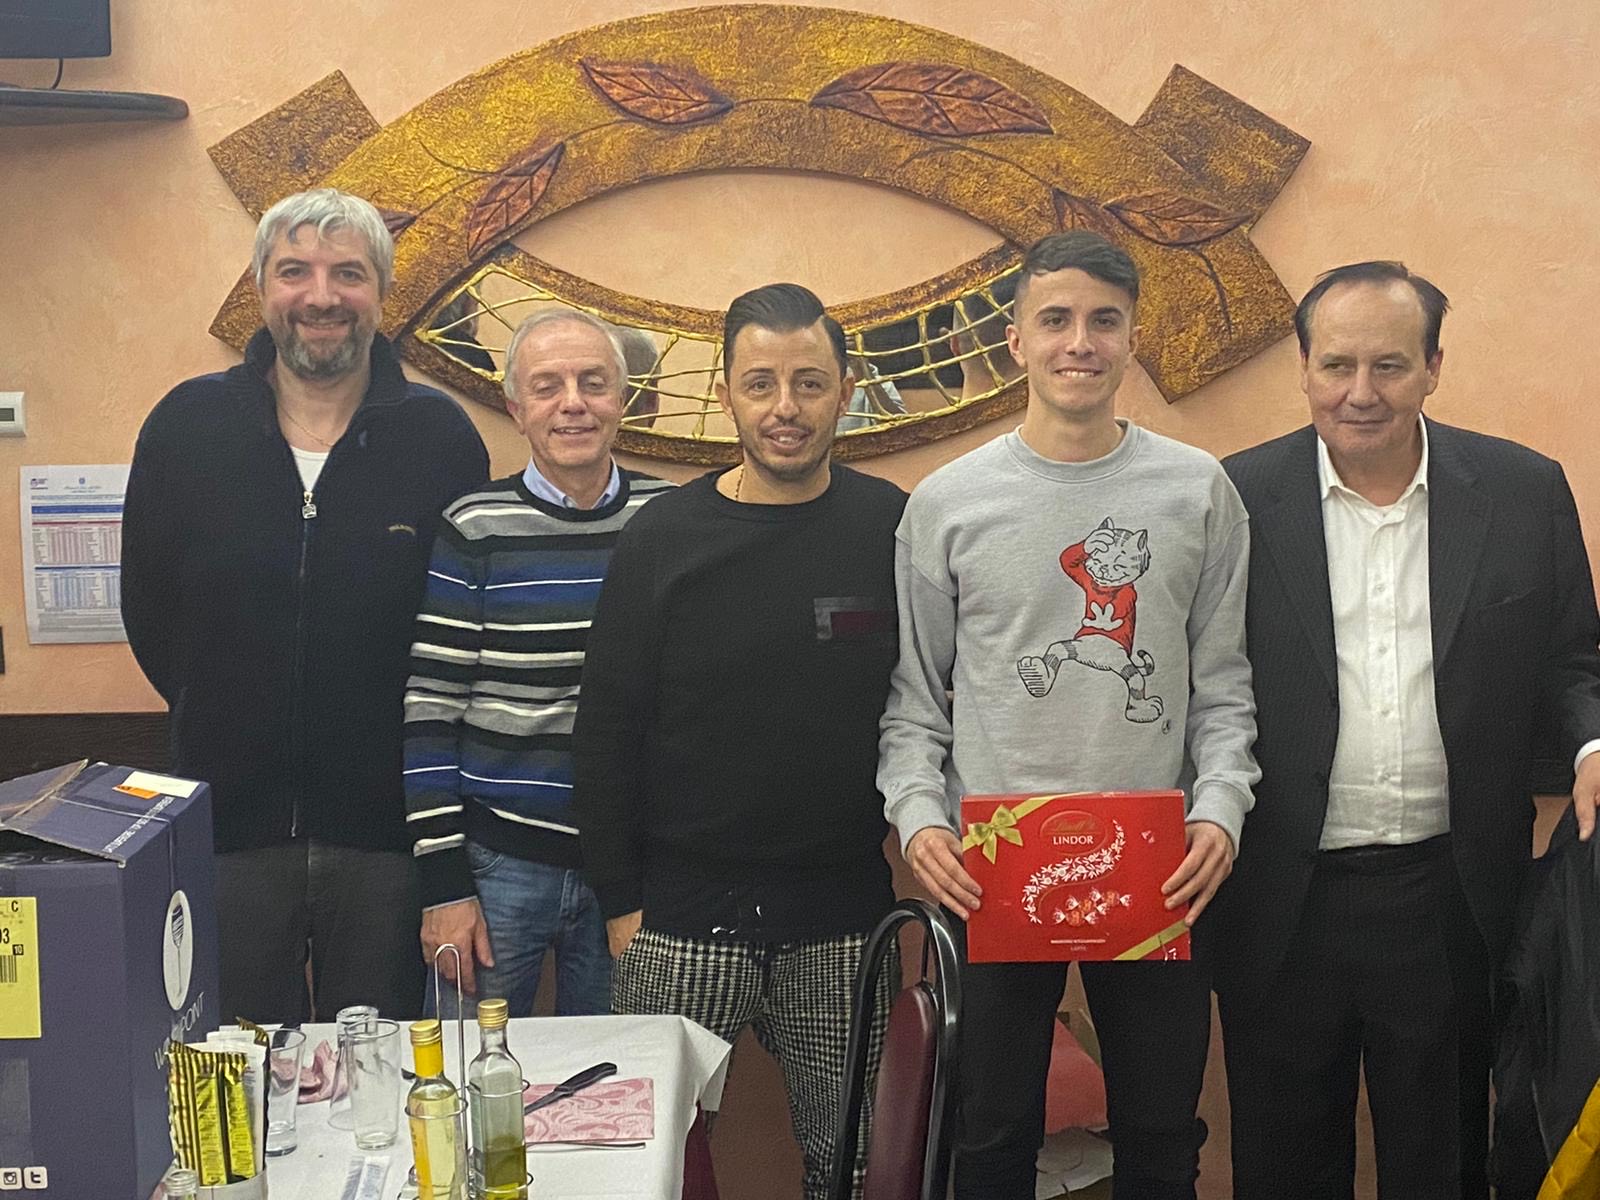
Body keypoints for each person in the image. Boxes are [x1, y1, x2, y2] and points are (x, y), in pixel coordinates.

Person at [878, 230, 1258, 1200]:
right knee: (991, 1137)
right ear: (1016, 340)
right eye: (1055, 319)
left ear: (1131, 338)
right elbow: (913, 701)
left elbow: (1222, 685)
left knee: (1160, 1136)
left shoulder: (1197, 491)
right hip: (991, 867)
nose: (1078, 342)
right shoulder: (947, 504)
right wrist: (918, 821)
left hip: (1160, 864)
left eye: (1103, 320)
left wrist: (1220, 809)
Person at [1214, 260, 1600, 1200]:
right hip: (1282, 896)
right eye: (1336, 365)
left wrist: (1594, 745)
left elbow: (1572, 658)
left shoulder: (1521, 489)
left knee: (1446, 1163)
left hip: (1453, 895)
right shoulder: (1233, 497)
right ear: (1304, 369)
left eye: (1389, 365)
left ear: (1433, 367)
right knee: (1284, 1167)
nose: (1361, 392)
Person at [121, 187, 489, 1022]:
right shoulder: (185, 428)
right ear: (260, 289)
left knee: (387, 1069)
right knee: (245, 1070)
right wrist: (222, 708)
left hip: (391, 836)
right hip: (228, 830)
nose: (322, 296)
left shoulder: (440, 439)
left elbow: (463, 634)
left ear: (382, 293)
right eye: (295, 272)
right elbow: (149, 613)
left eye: (347, 274)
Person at [574, 283, 906, 1200]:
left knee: (854, 1166)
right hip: (679, 921)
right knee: (645, 1173)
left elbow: (931, 704)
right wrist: (621, 905)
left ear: (845, 391)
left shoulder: (892, 526)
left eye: (809, 382)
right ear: (727, 394)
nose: (785, 408)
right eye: (761, 384)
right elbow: (605, 727)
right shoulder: (664, 537)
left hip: (843, 923)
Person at [403, 310, 672, 1015]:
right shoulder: (474, 527)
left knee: (619, 1077)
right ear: (517, 409)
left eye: (593, 383)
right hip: (497, 869)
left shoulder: (671, 522)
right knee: (465, 1071)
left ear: (624, 400)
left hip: (636, 873)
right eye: (548, 386)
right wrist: (443, 886)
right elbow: (430, 712)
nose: (573, 403)